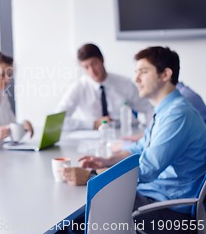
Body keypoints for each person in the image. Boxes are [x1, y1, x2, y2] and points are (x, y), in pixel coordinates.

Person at [62, 46, 206, 233]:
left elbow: (147, 169)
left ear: (165, 75)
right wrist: (107, 161)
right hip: (154, 197)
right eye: (136, 72)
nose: (136, 78)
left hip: (168, 210)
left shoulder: (177, 114)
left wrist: (92, 176)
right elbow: (140, 147)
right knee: (80, 217)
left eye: (143, 72)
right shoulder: (167, 109)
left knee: (75, 225)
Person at [56, 43, 154, 131]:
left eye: (94, 64)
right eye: (86, 67)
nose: (92, 71)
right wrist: (93, 124)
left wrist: (149, 132)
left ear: (102, 59)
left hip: (127, 134)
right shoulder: (78, 88)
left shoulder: (124, 83)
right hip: (94, 137)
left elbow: (149, 108)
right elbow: (57, 121)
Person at [0, 52, 34, 149]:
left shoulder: (3, 96)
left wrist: (23, 126)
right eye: (2, 74)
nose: (7, 80)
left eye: (9, 74)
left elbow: (11, 126)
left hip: (5, 153)